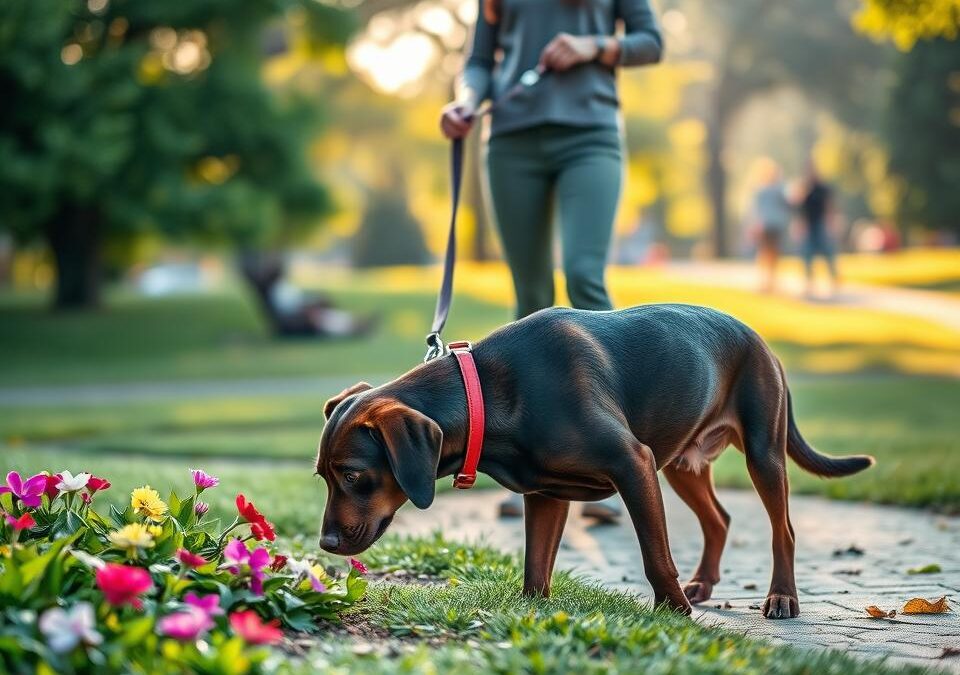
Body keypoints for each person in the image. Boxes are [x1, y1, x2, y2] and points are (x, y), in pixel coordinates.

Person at [440, 0, 663, 522]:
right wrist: (467, 100)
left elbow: (651, 42)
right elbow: (479, 59)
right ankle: (534, 469)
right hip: (512, 141)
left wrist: (594, 46)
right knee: (530, 296)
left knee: (586, 277)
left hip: (591, 134)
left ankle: (617, 462)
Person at [797, 163, 840, 298]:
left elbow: (829, 206)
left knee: (828, 252)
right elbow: (801, 209)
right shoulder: (804, 189)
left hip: (821, 224)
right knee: (807, 254)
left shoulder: (823, 189)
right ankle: (809, 282)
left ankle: (834, 279)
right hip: (809, 225)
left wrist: (831, 223)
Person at [749, 159, 792, 293]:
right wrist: (755, 225)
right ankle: (765, 281)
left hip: (777, 225)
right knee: (765, 253)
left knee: (774, 253)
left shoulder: (779, 189)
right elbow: (757, 210)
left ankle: (772, 281)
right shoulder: (763, 191)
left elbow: (788, 204)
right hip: (766, 225)